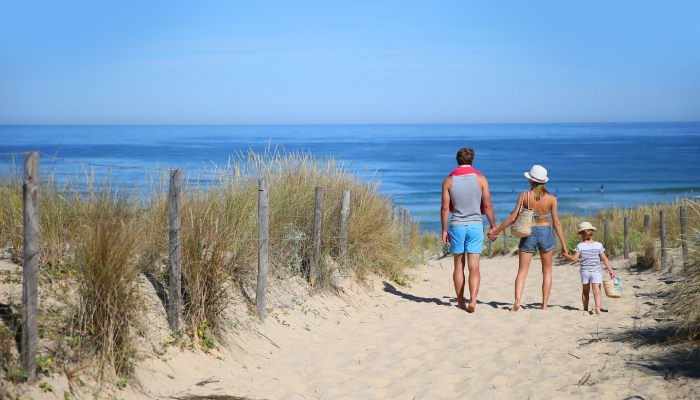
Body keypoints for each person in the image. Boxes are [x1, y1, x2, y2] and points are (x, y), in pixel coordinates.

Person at [490, 165, 566, 312]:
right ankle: (544, 305)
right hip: (545, 232)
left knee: (522, 271)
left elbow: (512, 218)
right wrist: (563, 244)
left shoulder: (524, 195)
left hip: (528, 232)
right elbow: (556, 223)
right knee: (547, 271)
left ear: (531, 180)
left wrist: (496, 231)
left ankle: (517, 302)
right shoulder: (552, 199)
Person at [441, 148, 496, 313]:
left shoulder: (448, 181)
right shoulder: (481, 180)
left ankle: (460, 302)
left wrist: (444, 230)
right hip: (475, 225)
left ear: (457, 161)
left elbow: (445, 208)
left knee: (459, 266)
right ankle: (472, 300)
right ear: (472, 161)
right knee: (474, 266)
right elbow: (487, 205)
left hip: (457, 225)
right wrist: (493, 226)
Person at [561, 222, 615, 315]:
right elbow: (604, 258)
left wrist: (565, 255)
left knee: (585, 291)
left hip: (585, 271)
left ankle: (585, 309)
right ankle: (597, 308)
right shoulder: (598, 245)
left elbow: (574, 259)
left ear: (581, 234)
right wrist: (610, 270)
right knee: (596, 291)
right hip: (596, 271)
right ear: (592, 233)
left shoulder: (580, 246)